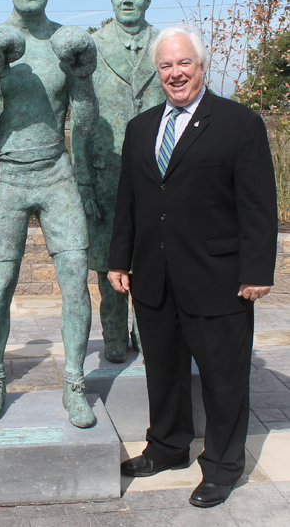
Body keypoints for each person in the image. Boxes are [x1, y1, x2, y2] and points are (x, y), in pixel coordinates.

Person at [108, 27, 278, 507]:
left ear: (201, 67)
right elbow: (130, 200)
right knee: (163, 372)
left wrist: (257, 269)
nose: (175, 73)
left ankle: (223, 467)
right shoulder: (140, 128)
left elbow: (259, 203)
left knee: (224, 379)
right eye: (166, 66)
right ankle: (166, 447)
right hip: (154, 279)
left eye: (184, 64)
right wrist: (118, 258)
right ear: (156, 71)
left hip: (218, 279)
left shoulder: (239, 123)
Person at [0, 0, 99, 428]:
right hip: (10, 176)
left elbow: (83, 126)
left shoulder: (66, 42)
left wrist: (81, 77)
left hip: (56, 171)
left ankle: (76, 384)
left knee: (76, 283)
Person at [71, 0, 164, 363]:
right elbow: (79, 122)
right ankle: (112, 333)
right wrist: (85, 185)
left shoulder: (166, 45)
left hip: (158, 173)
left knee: (154, 254)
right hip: (106, 173)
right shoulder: (92, 47)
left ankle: (147, 329)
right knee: (110, 260)